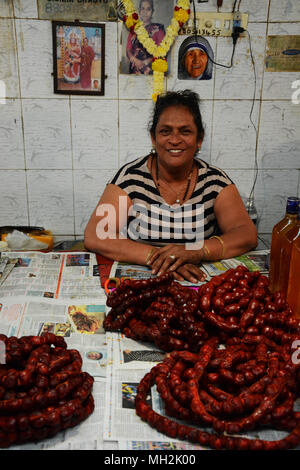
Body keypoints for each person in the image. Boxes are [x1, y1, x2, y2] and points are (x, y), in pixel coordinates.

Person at [84, 90, 257, 283]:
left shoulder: (215, 181)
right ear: (153, 137)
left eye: (185, 131)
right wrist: (160, 259)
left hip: (198, 282)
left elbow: (246, 233)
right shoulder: (131, 178)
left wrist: (197, 251)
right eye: (165, 131)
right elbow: (96, 235)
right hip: (147, 281)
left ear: (199, 139)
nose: (175, 140)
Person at [126, 0, 165, 75]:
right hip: (135, 70)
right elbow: (128, 50)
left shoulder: (158, 29)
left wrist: (146, 61)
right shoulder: (134, 28)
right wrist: (135, 60)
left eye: (148, 9)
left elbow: (162, 52)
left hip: (151, 70)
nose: (145, 12)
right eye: (142, 8)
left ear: (152, 11)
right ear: (139, 11)